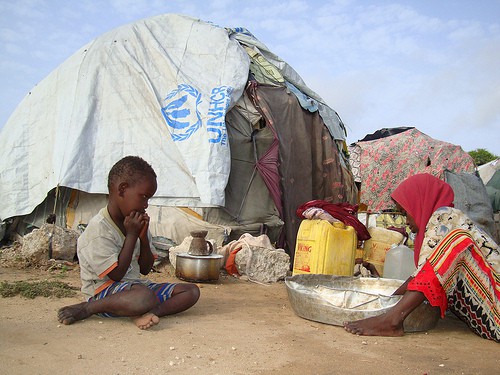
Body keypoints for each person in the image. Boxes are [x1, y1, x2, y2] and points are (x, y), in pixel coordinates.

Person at [344, 173, 499, 342]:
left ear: (419, 203)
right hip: (489, 322)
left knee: (457, 241)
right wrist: (386, 302)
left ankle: (393, 321)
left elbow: (427, 273)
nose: (405, 221)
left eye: (405, 212)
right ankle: (391, 317)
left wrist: (391, 313)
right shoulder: (433, 229)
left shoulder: (446, 215)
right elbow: (420, 276)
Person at [58, 156, 200, 329]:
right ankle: (87, 308)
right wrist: (132, 235)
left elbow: (145, 269)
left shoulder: (135, 222)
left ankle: (149, 312)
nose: (146, 205)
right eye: (144, 197)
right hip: (105, 293)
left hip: (137, 288)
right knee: (143, 297)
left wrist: (142, 239)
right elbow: (116, 275)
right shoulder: (98, 230)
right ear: (122, 189)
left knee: (191, 291)